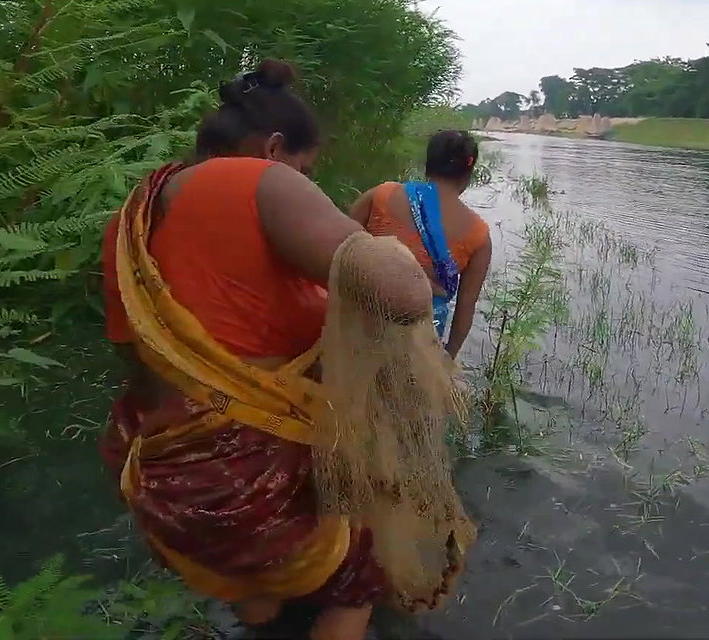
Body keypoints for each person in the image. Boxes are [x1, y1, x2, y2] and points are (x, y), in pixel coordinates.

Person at [97, 60, 462, 640]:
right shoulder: (259, 178)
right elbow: (403, 294)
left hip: (171, 476)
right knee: (359, 578)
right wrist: (388, 256)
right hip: (259, 476)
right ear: (273, 147)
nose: (304, 179)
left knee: (259, 587)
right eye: (305, 167)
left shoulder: (130, 220)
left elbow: (133, 353)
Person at [350, 129, 491, 359]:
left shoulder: (382, 195)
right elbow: (465, 308)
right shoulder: (479, 234)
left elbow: (340, 245)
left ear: (428, 165)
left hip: (360, 327)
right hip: (419, 348)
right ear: (468, 174)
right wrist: (447, 359)